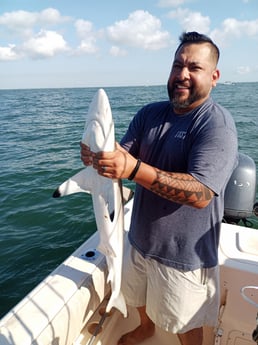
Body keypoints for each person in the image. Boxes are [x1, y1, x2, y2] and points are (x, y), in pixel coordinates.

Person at [80, 31, 238, 345]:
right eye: (177, 65)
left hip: (183, 256)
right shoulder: (149, 114)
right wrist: (101, 154)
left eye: (194, 67)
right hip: (137, 240)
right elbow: (124, 155)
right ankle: (145, 328)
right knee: (136, 296)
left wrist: (134, 169)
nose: (182, 74)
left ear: (214, 76)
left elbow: (201, 193)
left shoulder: (215, 124)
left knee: (185, 326)